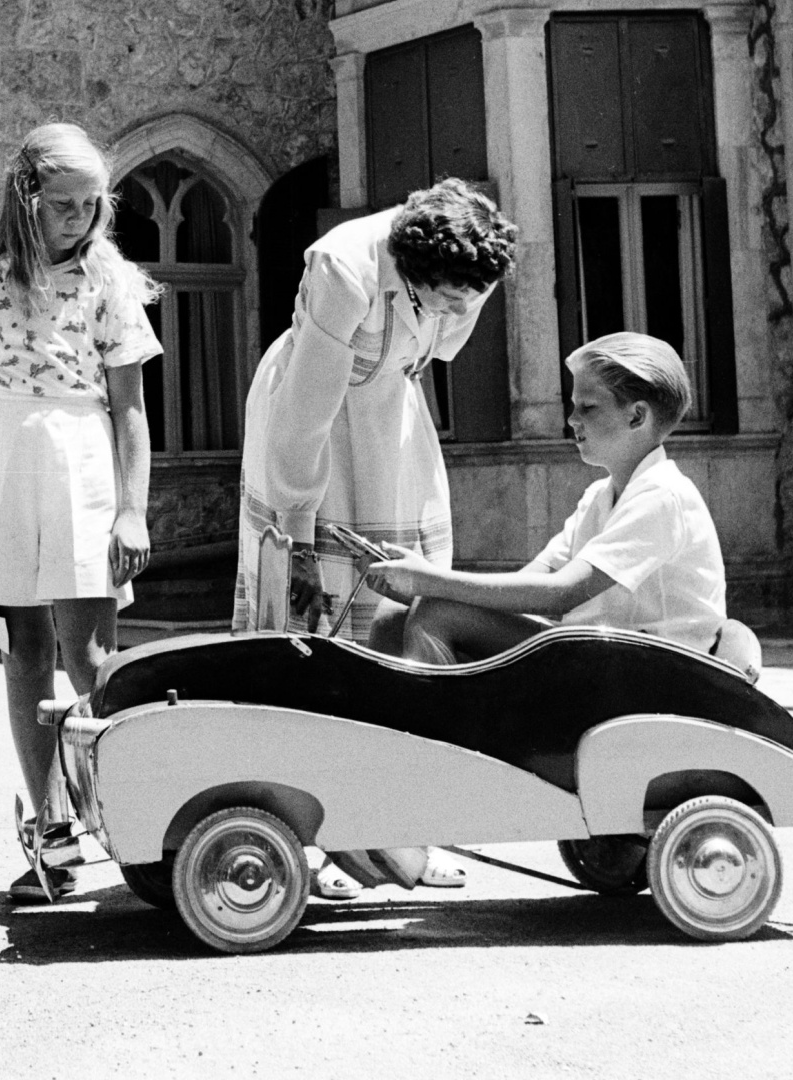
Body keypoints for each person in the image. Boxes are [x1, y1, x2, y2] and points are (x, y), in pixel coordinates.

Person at [232, 177, 517, 897]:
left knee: (398, 627)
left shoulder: (475, 259)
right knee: (310, 631)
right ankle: (311, 839)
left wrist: (452, 308)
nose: (461, 310)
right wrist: (294, 534)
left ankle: (396, 833)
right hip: (315, 432)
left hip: (391, 427)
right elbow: (306, 408)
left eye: (469, 298)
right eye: (449, 297)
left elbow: (431, 351)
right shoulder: (344, 267)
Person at [0, 123, 162, 903]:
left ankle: (125, 816)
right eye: (63, 203)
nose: (79, 217)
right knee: (22, 647)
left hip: (81, 462)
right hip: (3, 467)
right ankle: (50, 827)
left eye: (92, 204)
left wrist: (132, 511)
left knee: (90, 653)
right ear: (25, 200)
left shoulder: (111, 283)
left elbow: (131, 413)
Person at [361, 332, 727, 666]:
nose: (572, 419)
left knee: (437, 612)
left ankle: (444, 732)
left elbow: (561, 594)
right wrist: (411, 581)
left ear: (637, 416)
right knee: (394, 615)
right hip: (599, 657)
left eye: (588, 407)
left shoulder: (662, 495)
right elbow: (530, 583)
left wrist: (428, 581)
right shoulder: (600, 496)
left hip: (649, 672)